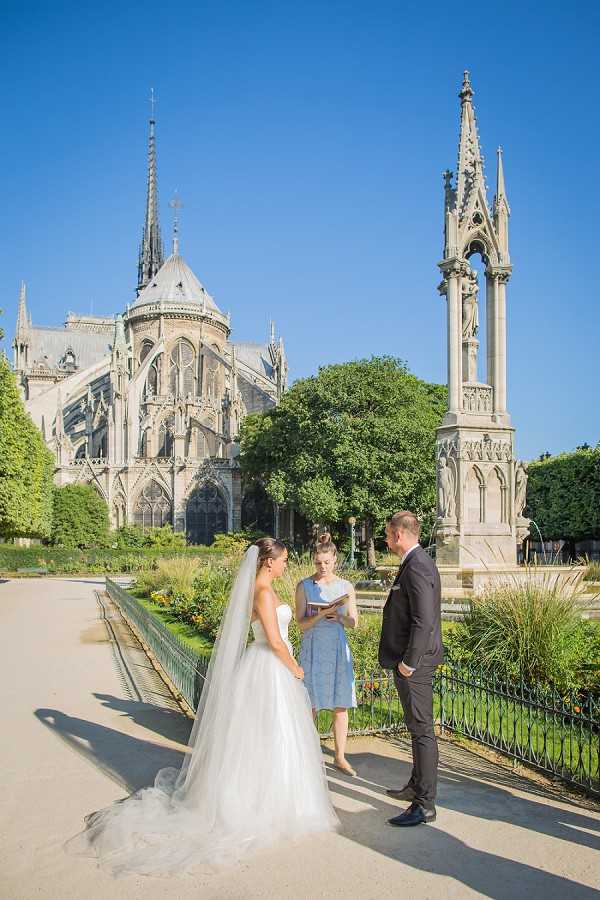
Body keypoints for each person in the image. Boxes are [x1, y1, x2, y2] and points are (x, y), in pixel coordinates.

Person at [68, 538, 338, 876]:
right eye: (283, 559)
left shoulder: (261, 587)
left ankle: (265, 796)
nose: (286, 564)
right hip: (270, 667)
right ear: (269, 562)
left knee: (260, 737)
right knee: (272, 734)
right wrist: (295, 668)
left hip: (263, 666)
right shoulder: (264, 592)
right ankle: (270, 803)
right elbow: (273, 638)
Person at [378, 511, 443, 827]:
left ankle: (425, 804)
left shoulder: (417, 566)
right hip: (409, 662)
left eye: (388, 535)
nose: (386, 540)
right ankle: (416, 786)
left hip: (413, 665)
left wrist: (409, 662)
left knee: (421, 730)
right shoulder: (415, 563)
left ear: (400, 535)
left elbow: (424, 620)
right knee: (417, 727)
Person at [296, 533, 359, 777]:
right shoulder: (304, 586)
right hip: (313, 645)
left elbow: (354, 622)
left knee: (340, 703)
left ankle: (340, 756)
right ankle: (309, 755)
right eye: (318, 563)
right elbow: (301, 624)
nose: (322, 567)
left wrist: (340, 616)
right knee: (310, 703)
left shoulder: (345, 586)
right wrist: (321, 615)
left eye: (327, 562)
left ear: (335, 559)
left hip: (336, 646)